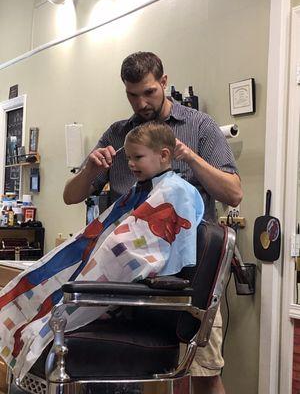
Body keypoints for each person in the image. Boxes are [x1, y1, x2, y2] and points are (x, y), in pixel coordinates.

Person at [63, 52, 243, 394]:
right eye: (132, 95)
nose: (141, 102)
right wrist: (89, 168)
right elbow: (71, 197)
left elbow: (233, 194)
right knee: (110, 371)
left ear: (163, 82)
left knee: (203, 374)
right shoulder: (118, 136)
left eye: (148, 92)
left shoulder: (200, 126)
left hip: (189, 279)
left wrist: (189, 156)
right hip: (127, 278)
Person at [0, 122, 204, 380]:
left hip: (139, 298)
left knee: (40, 320)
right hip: (120, 291)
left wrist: (108, 253)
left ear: (164, 155)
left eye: (138, 157)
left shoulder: (175, 191)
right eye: (128, 158)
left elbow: (147, 251)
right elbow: (96, 221)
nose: (130, 164)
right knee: (32, 287)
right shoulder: (143, 188)